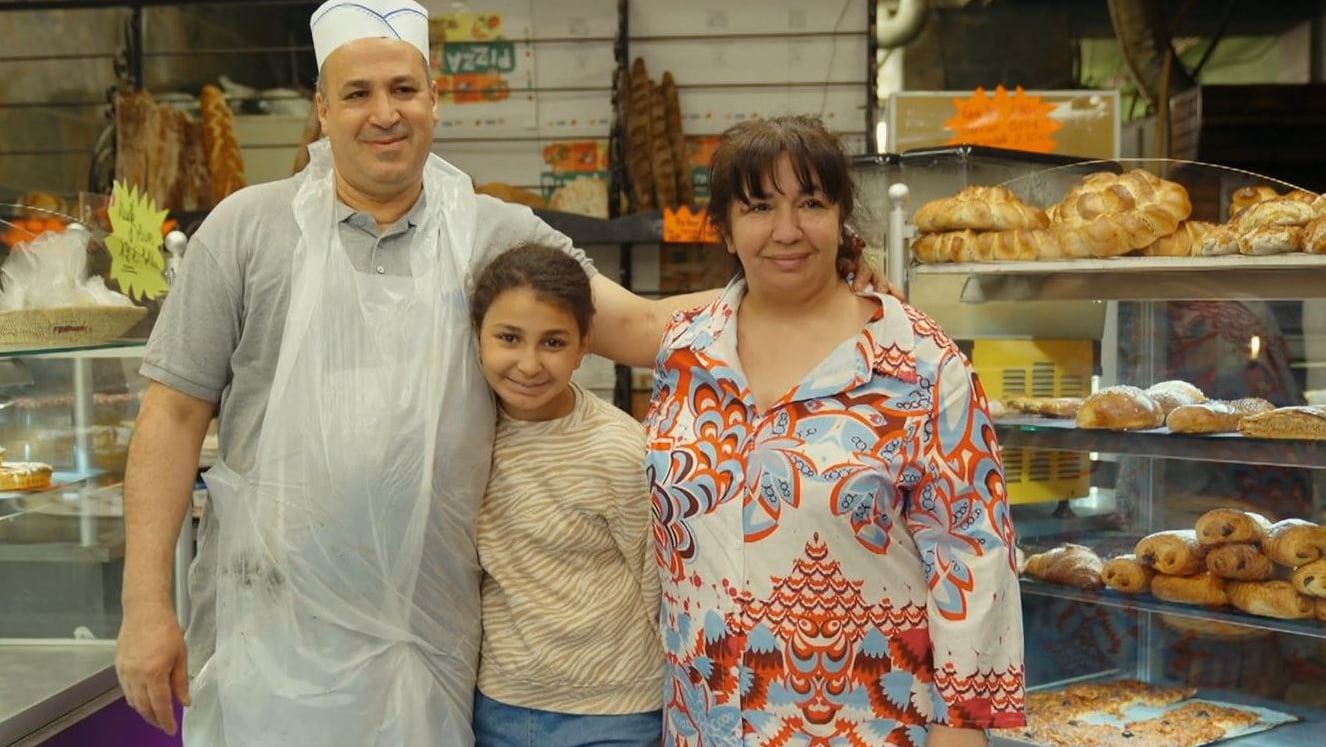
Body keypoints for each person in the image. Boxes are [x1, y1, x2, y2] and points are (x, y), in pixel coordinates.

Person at [110, 1, 718, 744]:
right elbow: (171, 416)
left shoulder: (494, 234)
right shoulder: (246, 230)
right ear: (323, 110)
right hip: (269, 626)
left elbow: (648, 328)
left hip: (429, 634)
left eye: (403, 89)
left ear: (434, 100)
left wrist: (809, 296)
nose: (384, 113)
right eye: (358, 93)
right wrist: (145, 603)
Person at [644, 115, 1025, 747]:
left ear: (841, 218)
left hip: (868, 725)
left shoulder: (921, 366)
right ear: (727, 230)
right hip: (702, 724)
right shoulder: (685, 356)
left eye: (811, 203)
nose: (787, 230)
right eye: (759, 207)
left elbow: (974, 560)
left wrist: (960, 732)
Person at [468, 244, 663, 747]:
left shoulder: (618, 449)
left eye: (553, 342)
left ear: (583, 347)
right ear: (477, 338)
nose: (529, 364)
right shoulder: (464, 437)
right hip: (500, 706)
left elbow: (656, 585)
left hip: (617, 713)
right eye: (509, 338)